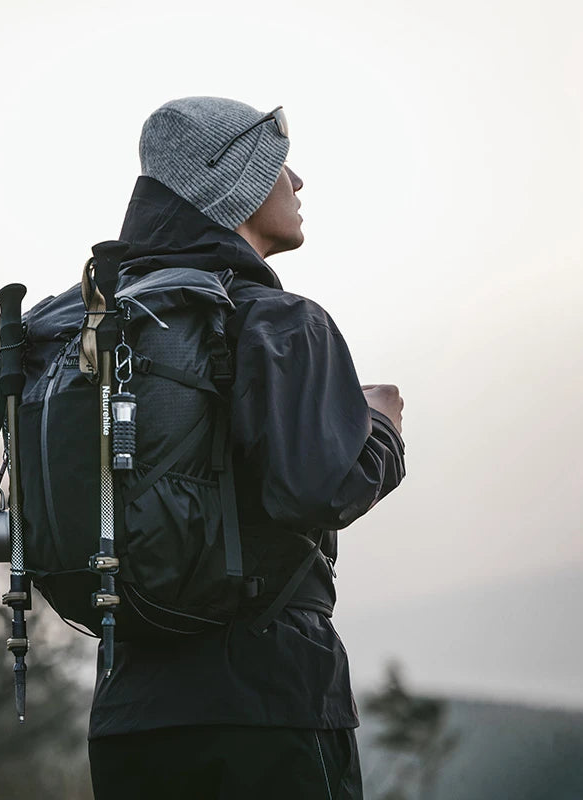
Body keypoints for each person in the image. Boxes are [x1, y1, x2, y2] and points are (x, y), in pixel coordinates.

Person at [87, 96, 406, 800]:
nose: (298, 182)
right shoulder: (283, 322)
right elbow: (316, 489)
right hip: (269, 704)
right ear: (233, 184)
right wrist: (380, 426)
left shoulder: (100, 327)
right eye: (277, 164)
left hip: (128, 710)